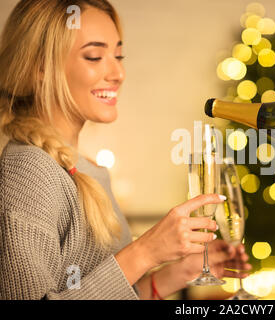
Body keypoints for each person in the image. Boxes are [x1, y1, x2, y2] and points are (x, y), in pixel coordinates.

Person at [0, 0, 250, 300]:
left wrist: (169, 276)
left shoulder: (90, 170)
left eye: (119, 55)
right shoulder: (27, 172)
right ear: (40, 67)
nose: (118, 73)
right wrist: (144, 252)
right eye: (94, 56)